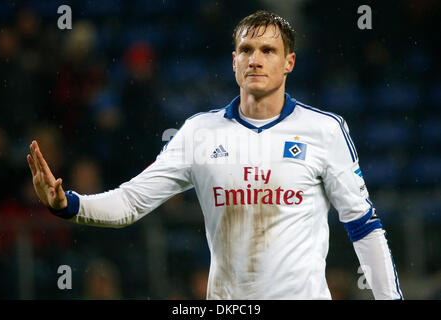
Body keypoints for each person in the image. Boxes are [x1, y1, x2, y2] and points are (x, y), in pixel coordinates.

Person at [27, 11, 403, 300]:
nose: (255, 60)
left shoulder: (324, 130)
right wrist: (68, 204)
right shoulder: (199, 133)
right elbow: (131, 202)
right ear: (234, 61)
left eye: (268, 51)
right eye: (246, 50)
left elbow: (363, 225)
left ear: (288, 62)